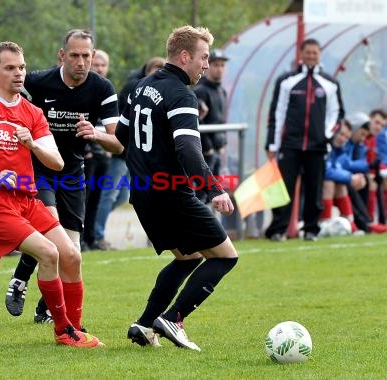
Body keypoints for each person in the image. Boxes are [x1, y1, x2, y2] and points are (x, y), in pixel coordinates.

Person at [0, 41, 103, 348]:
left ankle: (75, 325)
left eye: (22, 67)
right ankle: (63, 332)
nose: (19, 74)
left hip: (25, 200)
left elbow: (56, 162)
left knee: (71, 254)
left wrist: (32, 144)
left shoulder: (32, 112)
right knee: (49, 253)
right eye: (10, 68)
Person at [116, 25, 239, 350]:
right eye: (203, 57)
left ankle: (144, 326)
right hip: (171, 194)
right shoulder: (182, 94)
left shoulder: (142, 86)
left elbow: (120, 137)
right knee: (226, 256)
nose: (206, 65)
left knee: (188, 257)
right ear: (185, 56)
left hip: (142, 194)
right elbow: (187, 148)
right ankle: (174, 318)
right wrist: (214, 189)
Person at [5, 29, 122, 324]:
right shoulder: (37, 82)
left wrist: (94, 133)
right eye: (75, 55)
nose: (81, 62)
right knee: (51, 231)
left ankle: (44, 307)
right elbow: (4, 97)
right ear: (62, 56)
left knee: (70, 251)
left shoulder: (103, 89)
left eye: (86, 56)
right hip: (39, 168)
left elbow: (119, 142)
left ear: (93, 57)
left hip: (72, 172)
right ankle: (20, 281)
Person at [265, 38, 345, 242]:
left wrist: (325, 135)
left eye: (314, 53)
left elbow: (337, 114)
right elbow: (277, 112)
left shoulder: (330, 83)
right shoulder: (286, 81)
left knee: (314, 189)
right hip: (290, 144)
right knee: (284, 188)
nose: (311, 56)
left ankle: (311, 229)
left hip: (317, 146)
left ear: (320, 55)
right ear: (300, 54)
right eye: (307, 52)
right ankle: (277, 230)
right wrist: (272, 144)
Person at [92, 56, 165, 251]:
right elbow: (122, 118)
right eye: (154, 72)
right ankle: (96, 235)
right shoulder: (135, 87)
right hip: (122, 152)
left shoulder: (158, 89)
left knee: (123, 196)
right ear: (147, 71)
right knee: (109, 194)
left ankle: (93, 229)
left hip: (136, 155)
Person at [82, 49, 112, 250]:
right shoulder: (84, 88)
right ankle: (81, 239)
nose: (100, 68)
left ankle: (91, 238)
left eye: (103, 65)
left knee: (96, 199)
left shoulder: (106, 90)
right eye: (97, 64)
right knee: (82, 199)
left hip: (103, 155)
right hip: (88, 154)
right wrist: (89, 148)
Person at [193, 49, 228, 178]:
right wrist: (208, 148)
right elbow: (196, 120)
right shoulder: (200, 90)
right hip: (204, 150)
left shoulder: (222, 91)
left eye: (222, 65)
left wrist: (223, 144)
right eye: (216, 65)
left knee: (216, 190)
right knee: (202, 190)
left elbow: (221, 118)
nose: (219, 69)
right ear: (208, 66)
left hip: (218, 147)